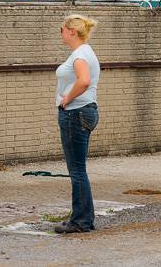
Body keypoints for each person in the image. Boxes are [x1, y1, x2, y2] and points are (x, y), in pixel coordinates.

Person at [54, 14, 100, 234]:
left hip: (75, 113)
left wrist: (67, 98)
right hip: (85, 111)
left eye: (62, 29)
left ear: (72, 32)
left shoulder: (80, 55)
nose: (60, 33)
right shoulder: (84, 52)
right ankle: (84, 218)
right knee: (79, 169)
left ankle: (80, 221)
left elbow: (84, 81)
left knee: (77, 170)